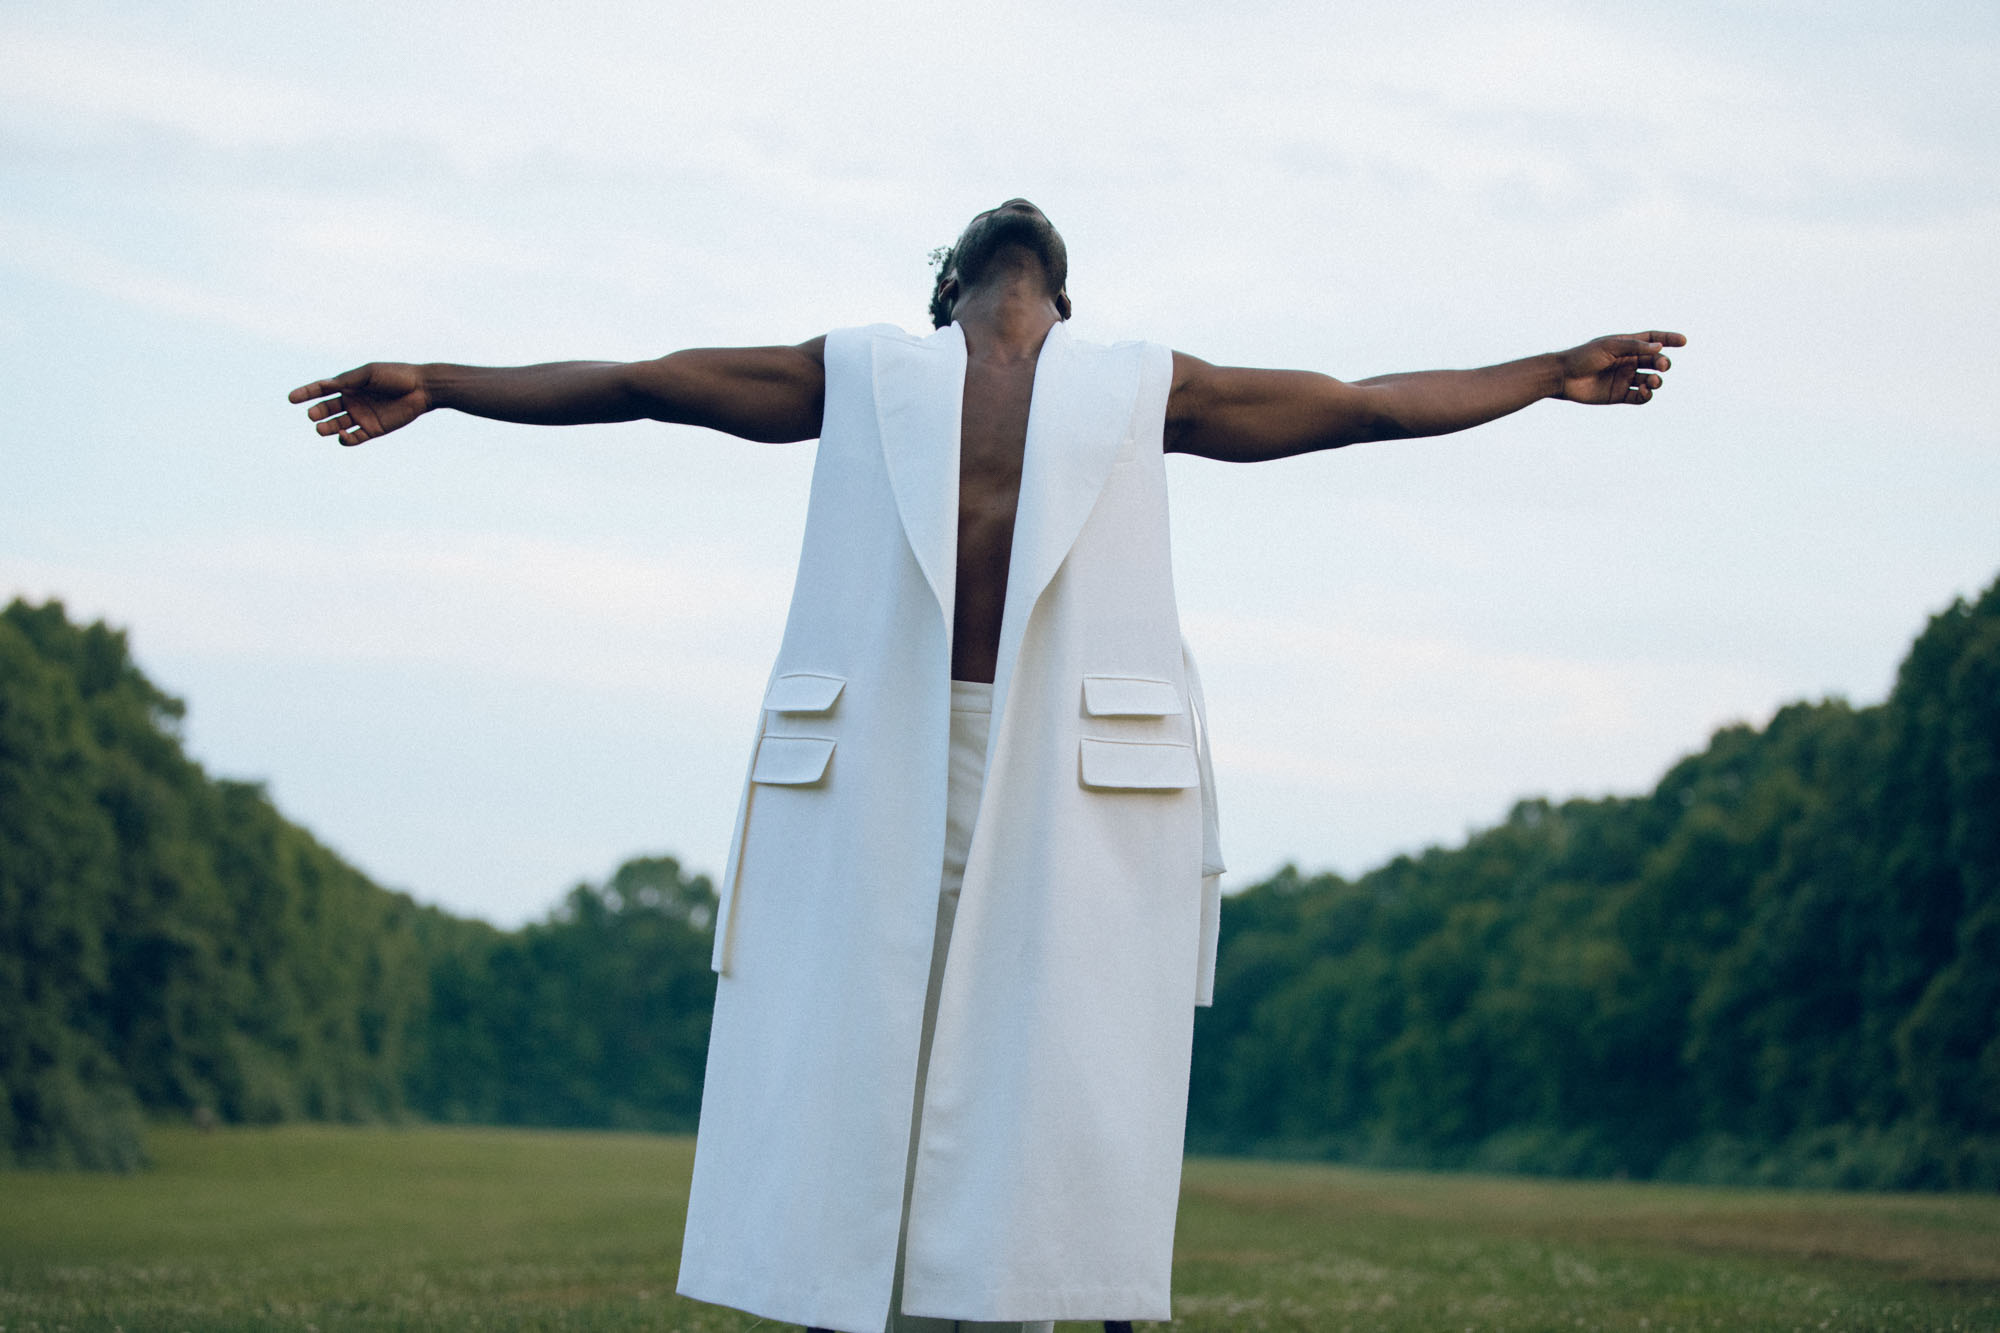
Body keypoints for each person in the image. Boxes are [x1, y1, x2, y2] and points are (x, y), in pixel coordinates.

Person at [290, 198, 1681, 1333]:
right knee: (867, 1081)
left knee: (1050, 1075)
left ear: (1058, 301)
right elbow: (642, 384)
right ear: (953, 287)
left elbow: (1363, 405)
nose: (1015, 238)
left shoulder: (1136, 387)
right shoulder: (863, 374)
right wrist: (448, 385)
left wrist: (1546, 373)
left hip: (1069, 786)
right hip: (883, 772)